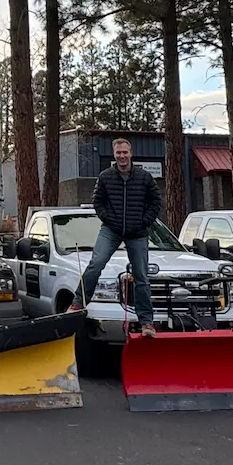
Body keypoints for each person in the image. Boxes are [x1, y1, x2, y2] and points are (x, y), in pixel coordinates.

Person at [79, 137, 160, 326]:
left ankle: (146, 322)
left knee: (141, 276)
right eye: (118, 152)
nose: (122, 156)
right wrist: (108, 219)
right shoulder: (105, 176)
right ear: (114, 154)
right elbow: (97, 202)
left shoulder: (144, 177)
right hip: (111, 230)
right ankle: (78, 302)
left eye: (125, 152)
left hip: (137, 233)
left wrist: (143, 222)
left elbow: (155, 202)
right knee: (96, 264)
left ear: (130, 153)